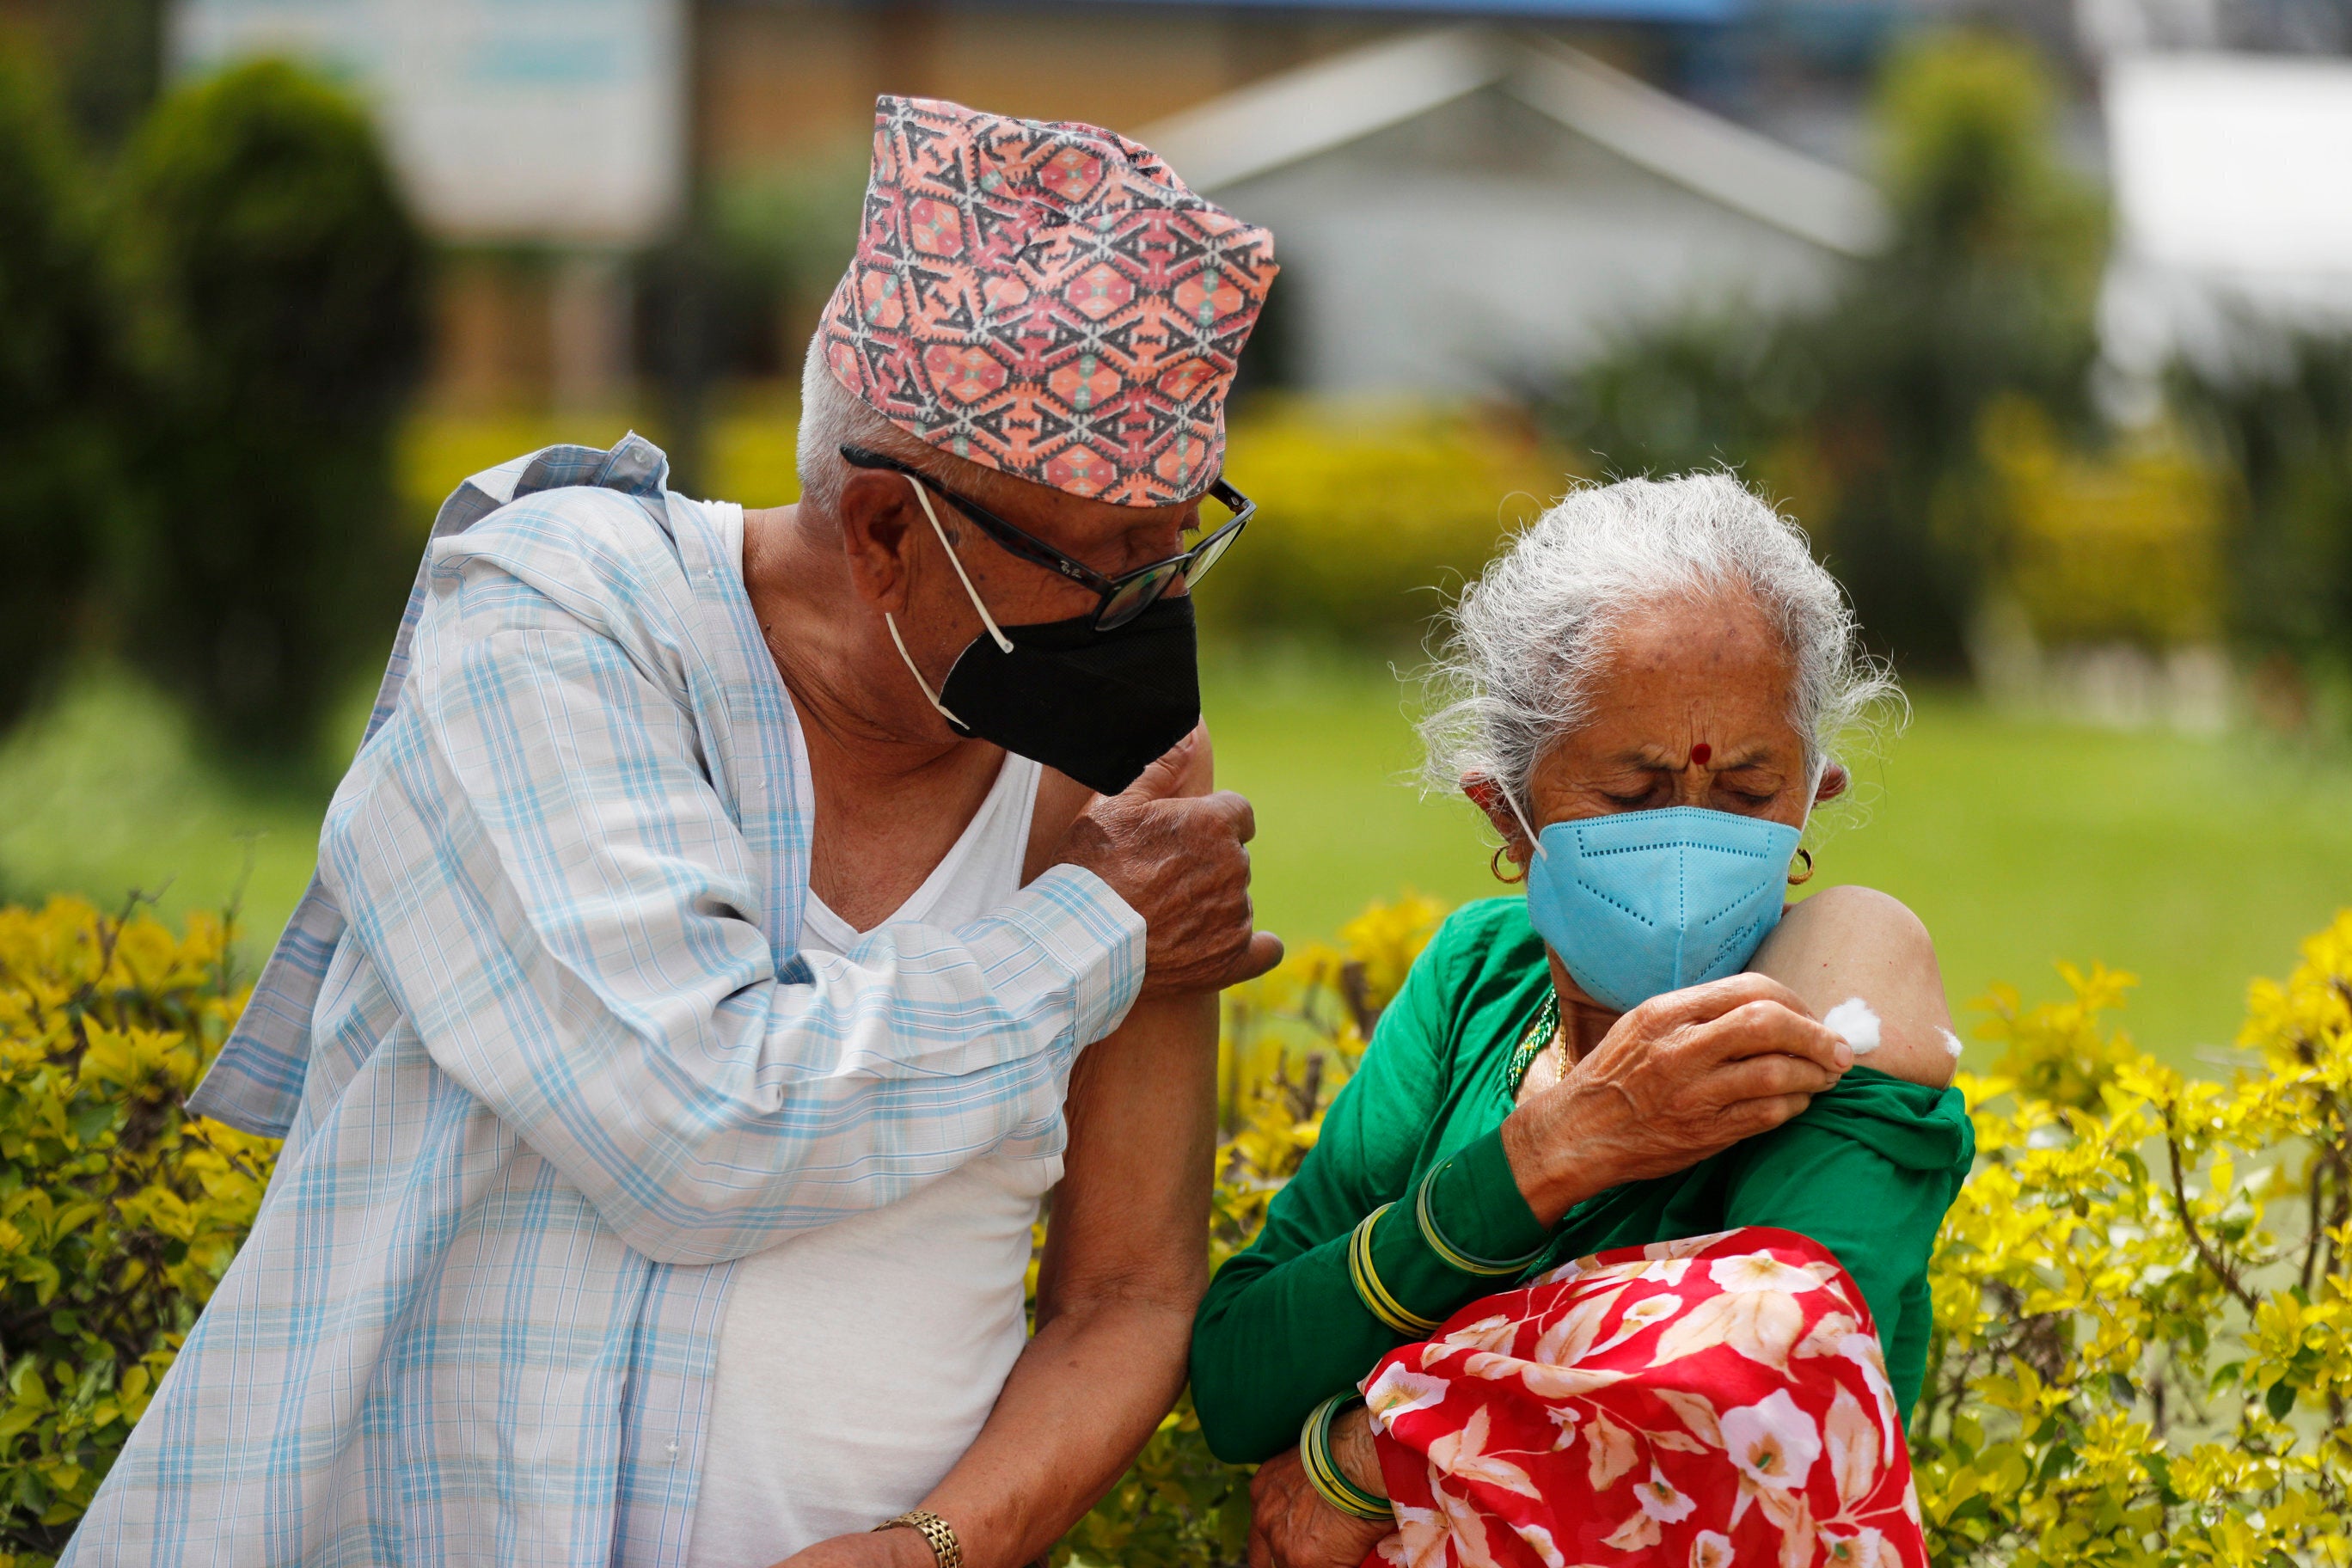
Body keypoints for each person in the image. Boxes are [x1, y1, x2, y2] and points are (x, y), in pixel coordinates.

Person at [68, 96, 1283, 1568]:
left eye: (1178, 542)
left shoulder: (1123, 782)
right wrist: (1096, 934)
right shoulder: (552, 616)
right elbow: (694, 1122)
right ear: (887, 534)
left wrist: (936, 1542)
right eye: (1100, 564)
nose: (1148, 614)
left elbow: (1130, 1291)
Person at [1188, 475, 1976, 1568]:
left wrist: (1364, 1454)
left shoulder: (1834, 1011)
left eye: (1748, 793)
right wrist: (1550, 1153)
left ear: (1812, 802)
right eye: (1630, 791)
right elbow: (1237, 1375)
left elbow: (1765, 1386)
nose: (1691, 836)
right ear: (1504, 813)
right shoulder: (1479, 979)